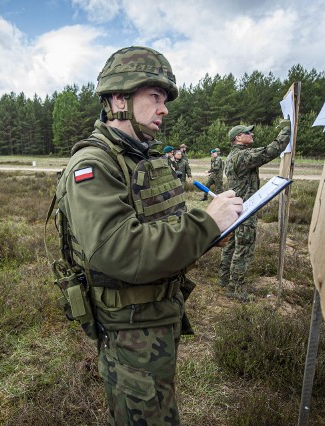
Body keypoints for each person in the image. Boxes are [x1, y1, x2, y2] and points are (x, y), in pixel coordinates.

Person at [54, 46, 243, 425]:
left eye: (165, 99)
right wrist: (205, 224)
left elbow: (161, 223)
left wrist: (208, 235)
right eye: (155, 97)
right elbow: (118, 249)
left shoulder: (139, 156)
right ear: (119, 99)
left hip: (156, 316)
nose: (164, 108)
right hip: (129, 328)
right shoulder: (93, 164)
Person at [220, 121, 290, 299]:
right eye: (248, 133)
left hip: (236, 207)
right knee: (244, 246)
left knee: (232, 244)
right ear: (238, 137)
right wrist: (287, 129)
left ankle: (224, 279)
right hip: (245, 209)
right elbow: (271, 151)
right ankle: (235, 289)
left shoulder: (232, 156)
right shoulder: (243, 156)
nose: (252, 135)